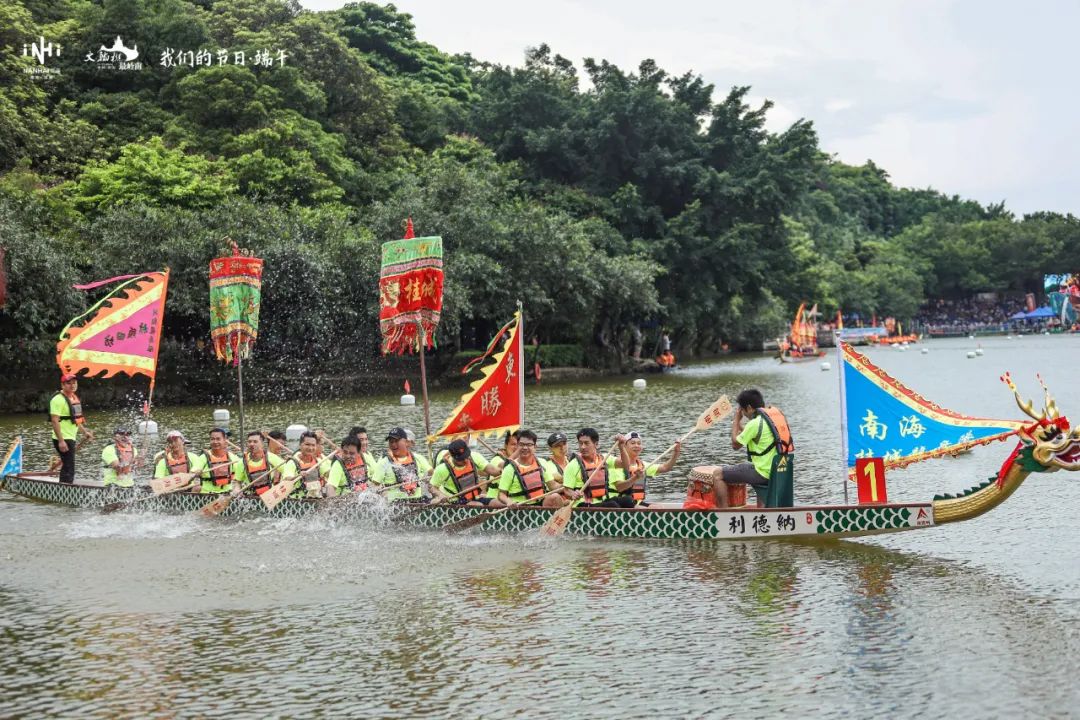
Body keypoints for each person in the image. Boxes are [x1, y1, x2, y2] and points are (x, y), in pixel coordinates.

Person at [705, 389, 794, 508]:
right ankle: (762, 511)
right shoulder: (770, 420)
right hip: (777, 470)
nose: (742, 412)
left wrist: (736, 421)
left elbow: (735, 445)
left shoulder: (754, 424)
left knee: (717, 475)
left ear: (749, 407)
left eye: (742, 409)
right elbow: (751, 435)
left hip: (762, 473)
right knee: (745, 468)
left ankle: (724, 513)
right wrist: (740, 426)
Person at [496, 429, 574, 508]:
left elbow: (553, 486)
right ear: (518, 446)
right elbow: (501, 494)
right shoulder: (510, 468)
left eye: (529, 445)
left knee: (555, 496)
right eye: (521, 444)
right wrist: (508, 501)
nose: (525, 448)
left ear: (535, 447)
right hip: (519, 507)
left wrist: (570, 486)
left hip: (540, 504)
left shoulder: (542, 463)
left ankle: (557, 519)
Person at [610, 431, 680, 506]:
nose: (636, 446)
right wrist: (635, 478)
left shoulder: (642, 465)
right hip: (620, 504)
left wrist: (676, 452)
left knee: (658, 507)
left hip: (637, 503)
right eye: (633, 443)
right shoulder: (617, 465)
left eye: (639, 443)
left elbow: (665, 467)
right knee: (649, 507)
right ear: (624, 446)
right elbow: (619, 487)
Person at [561, 428, 628, 507]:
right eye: (580, 443)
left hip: (602, 501)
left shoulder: (604, 459)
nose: (583, 447)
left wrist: (621, 447)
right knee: (612, 505)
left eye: (586, 443)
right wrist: (573, 494)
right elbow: (567, 490)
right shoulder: (572, 465)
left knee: (628, 501)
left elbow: (625, 465)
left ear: (596, 444)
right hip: (583, 504)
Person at [48, 373, 94, 484]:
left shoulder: (73, 398)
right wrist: (61, 441)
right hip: (63, 438)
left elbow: (75, 419)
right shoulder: (58, 399)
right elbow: (54, 421)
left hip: (70, 437)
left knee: (69, 464)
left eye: (74, 383)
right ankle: (64, 489)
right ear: (63, 385)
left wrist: (84, 432)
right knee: (69, 466)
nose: (72, 385)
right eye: (69, 383)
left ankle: (65, 487)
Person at [430, 439, 494, 506]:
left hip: (473, 498)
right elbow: (431, 487)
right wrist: (440, 495)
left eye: (466, 456)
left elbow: (493, 471)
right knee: (479, 505)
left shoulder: (474, 458)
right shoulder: (442, 469)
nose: (466, 460)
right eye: (461, 459)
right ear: (453, 457)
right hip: (453, 502)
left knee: (499, 503)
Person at [376, 427, 432, 502]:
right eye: (391, 442)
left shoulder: (418, 458)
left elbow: (432, 474)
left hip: (417, 500)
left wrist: (426, 481)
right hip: (395, 503)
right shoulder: (383, 462)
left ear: (406, 442)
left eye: (396, 441)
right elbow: (375, 485)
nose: (393, 444)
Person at [281, 431, 331, 498]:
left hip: (316, 498)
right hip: (297, 501)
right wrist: (298, 476)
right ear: (300, 445)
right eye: (307, 444)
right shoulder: (292, 462)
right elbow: (286, 480)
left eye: (313, 445)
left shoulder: (317, 461)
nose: (310, 448)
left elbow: (328, 474)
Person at [199, 428, 244, 494]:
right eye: (213, 439)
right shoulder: (204, 456)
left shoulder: (232, 457)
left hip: (227, 491)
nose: (215, 442)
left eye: (218, 439)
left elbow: (242, 468)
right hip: (209, 493)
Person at [241, 431, 285, 496]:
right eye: (279, 443)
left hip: (273, 496)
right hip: (253, 497)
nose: (282, 446)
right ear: (270, 442)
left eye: (283, 444)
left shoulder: (278, 460)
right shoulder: (243, 461)